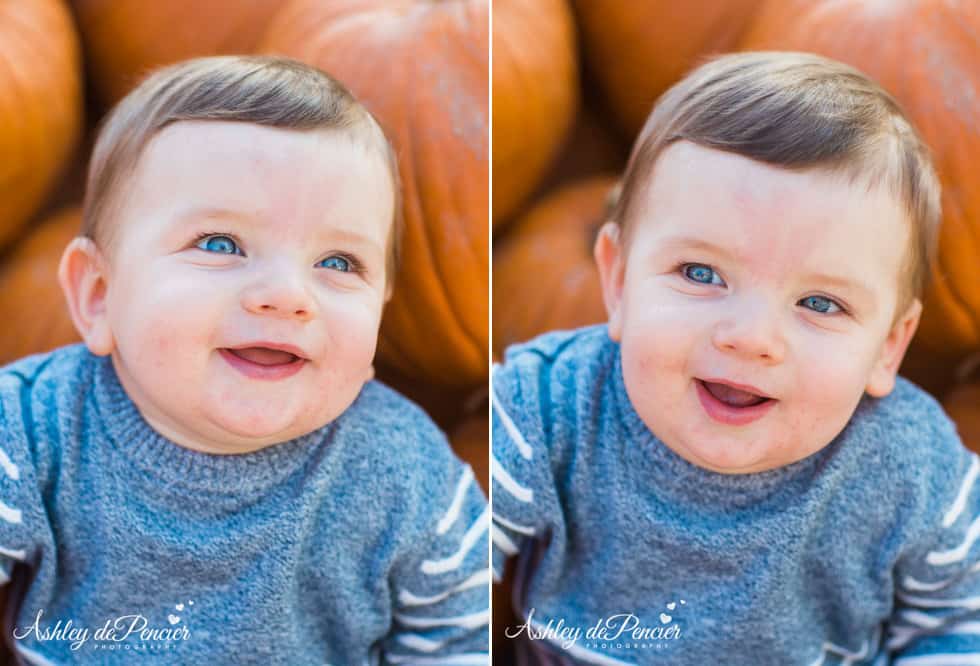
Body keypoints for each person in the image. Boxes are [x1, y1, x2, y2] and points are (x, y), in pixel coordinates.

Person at [491, 51, 978, 665]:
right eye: (701, 273)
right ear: (617, 282)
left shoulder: (910, 467)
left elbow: (961, 619)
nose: (750, 338)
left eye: (820, 303)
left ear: (888, 346)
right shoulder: (547, 408)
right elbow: (434, 552)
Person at [0, 55, 488, 664]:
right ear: (99, 295)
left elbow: (457, 641)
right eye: (220, 244)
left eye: (339, 263)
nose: (286, 295)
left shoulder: (407, 475)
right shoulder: (29, 431)